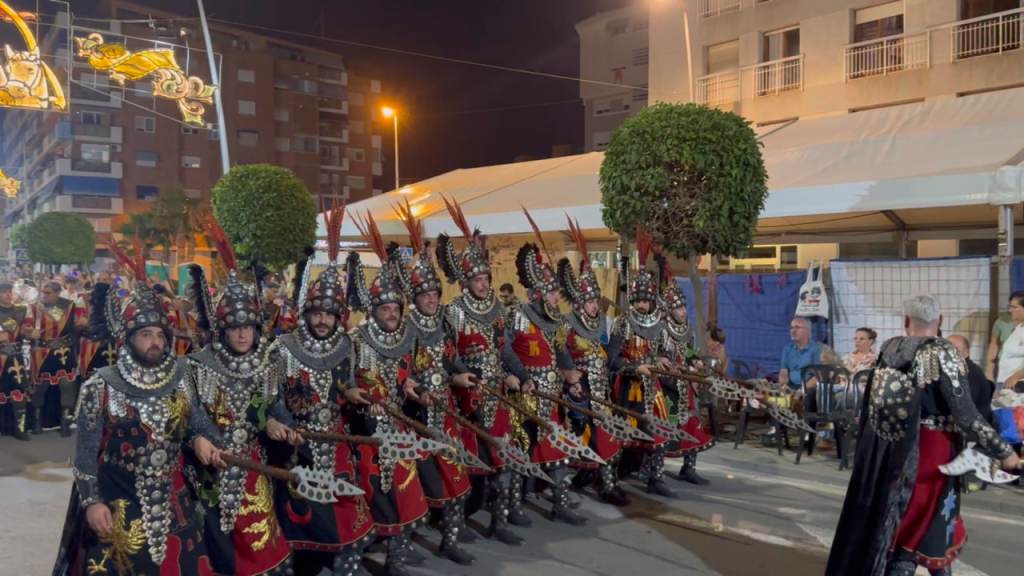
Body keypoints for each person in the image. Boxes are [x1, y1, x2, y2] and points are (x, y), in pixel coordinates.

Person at [52, 252, 224, 576]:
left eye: (160, 335)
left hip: (175, 498)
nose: (155, 342)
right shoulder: (99, 385)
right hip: (118, 496)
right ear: (128, 338)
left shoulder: (181, 376)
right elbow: (85, 455)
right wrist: (92, 502)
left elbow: (196, 420)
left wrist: (203, 439)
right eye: (146, 335)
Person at [827, 295, 1022, 576]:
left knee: (906, 528)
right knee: (918, 532)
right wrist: (1005, 452)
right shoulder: (943, 352)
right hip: (933, 453)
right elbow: (966, 415)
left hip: (891, 453)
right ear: (940, 321)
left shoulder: (889, 349)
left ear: (906, 322)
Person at [185, 219, 300, 576]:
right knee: (220, 552)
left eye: (248, 326)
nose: (242, 334)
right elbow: (192, 413)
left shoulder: (269, 361)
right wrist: (200, 438)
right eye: (234, 327)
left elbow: (275, 405)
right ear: (222, 329)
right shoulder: (197, 364)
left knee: (267, 549)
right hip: (212, 471)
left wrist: (282, 424)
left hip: (254, 465)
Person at [269, 207, 375, 576]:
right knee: (296, 523)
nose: (322, 320)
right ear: (306, 312)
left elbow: (343, 385)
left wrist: (354, 396)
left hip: (335, 440)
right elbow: (270, 398)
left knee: (349, 517)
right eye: (316, 313)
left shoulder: (346, 345)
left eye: (330, 314)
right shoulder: (281, 347)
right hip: (295, 447)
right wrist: (285, 424)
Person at [347, 213, 432, 576]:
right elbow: (342, 384)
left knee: (407, 495)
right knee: (371, 501)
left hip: (399, 430)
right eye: (386, 309)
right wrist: (352, 396)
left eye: (396, 309)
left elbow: (411, 374)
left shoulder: (407, 338)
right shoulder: (355, 340)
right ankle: (360, 555)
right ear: (374, 310)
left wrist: (413, 386)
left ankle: (396, 558)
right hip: (366, 436)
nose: (392, 314)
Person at [437, 198, 524, 546]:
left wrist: (518, 374)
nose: (484, 283)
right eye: (478, 278)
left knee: (503, 461)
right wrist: (463, 373)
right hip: (465, 399)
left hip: (496, 395)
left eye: (487, 277)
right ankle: (454, 532)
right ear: (466, 280)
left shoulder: (498, 308)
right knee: (463, 466)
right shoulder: (454, 310)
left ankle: (499, 521)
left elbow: (504, 350)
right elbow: (449, 354)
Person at [394, 204, 477, 565]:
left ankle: (450, 539)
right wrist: (408, 385)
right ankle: (402, 548)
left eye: (435, 295)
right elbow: (396, 369)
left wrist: (462, 373)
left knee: (454, 479)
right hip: (413, 419)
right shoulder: (404, 328)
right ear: (414, 298)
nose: (431, 299)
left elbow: (449, 358)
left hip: (444, 412)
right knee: (413, 488)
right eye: (425, 295)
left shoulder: (442, 323)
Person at [503, 239, 587, 525]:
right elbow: (505, 350)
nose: (556, 299)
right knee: (519, 452)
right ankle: (512, 506)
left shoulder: (556, 322)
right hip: (525, 397)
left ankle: (559, 505)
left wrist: (572, 377)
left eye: (556, 294)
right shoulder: (517, 315)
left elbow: (562, 355)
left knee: (558, 449)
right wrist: (518, 376)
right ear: (538, 294)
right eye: (552, 294)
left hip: (551, 398)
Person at [557, 222, 628, 506]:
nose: (594, 305)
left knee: (607, 435)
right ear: (578, 302)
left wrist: (619, 338)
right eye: (589, 301)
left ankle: (603, 481)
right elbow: (559, 357)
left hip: (601, 390)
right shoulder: (566, 324)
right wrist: (569, 382)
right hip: (579, 391)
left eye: (595, 300)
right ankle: (593, 481)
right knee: (589, 437)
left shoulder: (603, 323)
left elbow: (609, 356)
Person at [607, 227, 674, 497]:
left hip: (653, 387)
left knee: (659, 428)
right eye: (640, 300)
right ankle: (616, 475)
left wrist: (662, 359)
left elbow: (666, 352)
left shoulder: (660, 324)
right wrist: (635, 367)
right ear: (633, 298)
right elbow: (612, 359)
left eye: (648, 300)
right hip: (628, 388)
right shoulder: (623, 323)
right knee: (624, 432)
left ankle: (655, 476)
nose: (644, 305)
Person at [656, 263, 714, 485]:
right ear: (670, 310)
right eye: (679, 308)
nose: (683, 311)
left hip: (686, 387)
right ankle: (655, 473)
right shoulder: (660, 330)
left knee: (692, 423)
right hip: (667, 387)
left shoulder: (686, 329)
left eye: (684, 307)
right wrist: (670, 366)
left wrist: (696, 361)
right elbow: (656, 356)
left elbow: (688, 352)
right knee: (665, 428)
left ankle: (689, 467)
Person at [30, 280, 87, 435]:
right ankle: (36, 422)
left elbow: (70, 325)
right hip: (43, 352)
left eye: (48, 293)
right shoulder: (35, 307)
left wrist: (81, 324)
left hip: (64, 352)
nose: (44, 295)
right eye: (43, 292)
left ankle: (65, 421)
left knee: (66, 386)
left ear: (57, 293)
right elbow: (26, 327)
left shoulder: (69, 306)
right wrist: (30, 333)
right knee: (40, 387)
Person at [0, 280, 35, 440]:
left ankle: (20, 428)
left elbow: (26, 331)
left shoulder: (21, 310)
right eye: (4, 292)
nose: (8, 294)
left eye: (9, 291)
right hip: (0, 358)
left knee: (19, 393)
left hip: (16, 358)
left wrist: (30, 333)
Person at [948, 334, 995, 426]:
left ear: (967, 352)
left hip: (975, 429)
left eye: (955, 350)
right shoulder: (961, 370)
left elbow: (964, 406)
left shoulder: (970, 373)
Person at [995, 291, 1024, 390]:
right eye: (1010, 307)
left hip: (1018, 385)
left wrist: (1015, 377)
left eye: (1014, 307)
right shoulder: (1018, 328)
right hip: (1005, 382)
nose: (1010, 310)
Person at [985, 311, 1014, 381]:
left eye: (1015, 307)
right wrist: (989, 372)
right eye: (1011, 306)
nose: (1011, 309)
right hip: (1005, 367)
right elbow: (993, 346)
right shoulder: (1001, 321)